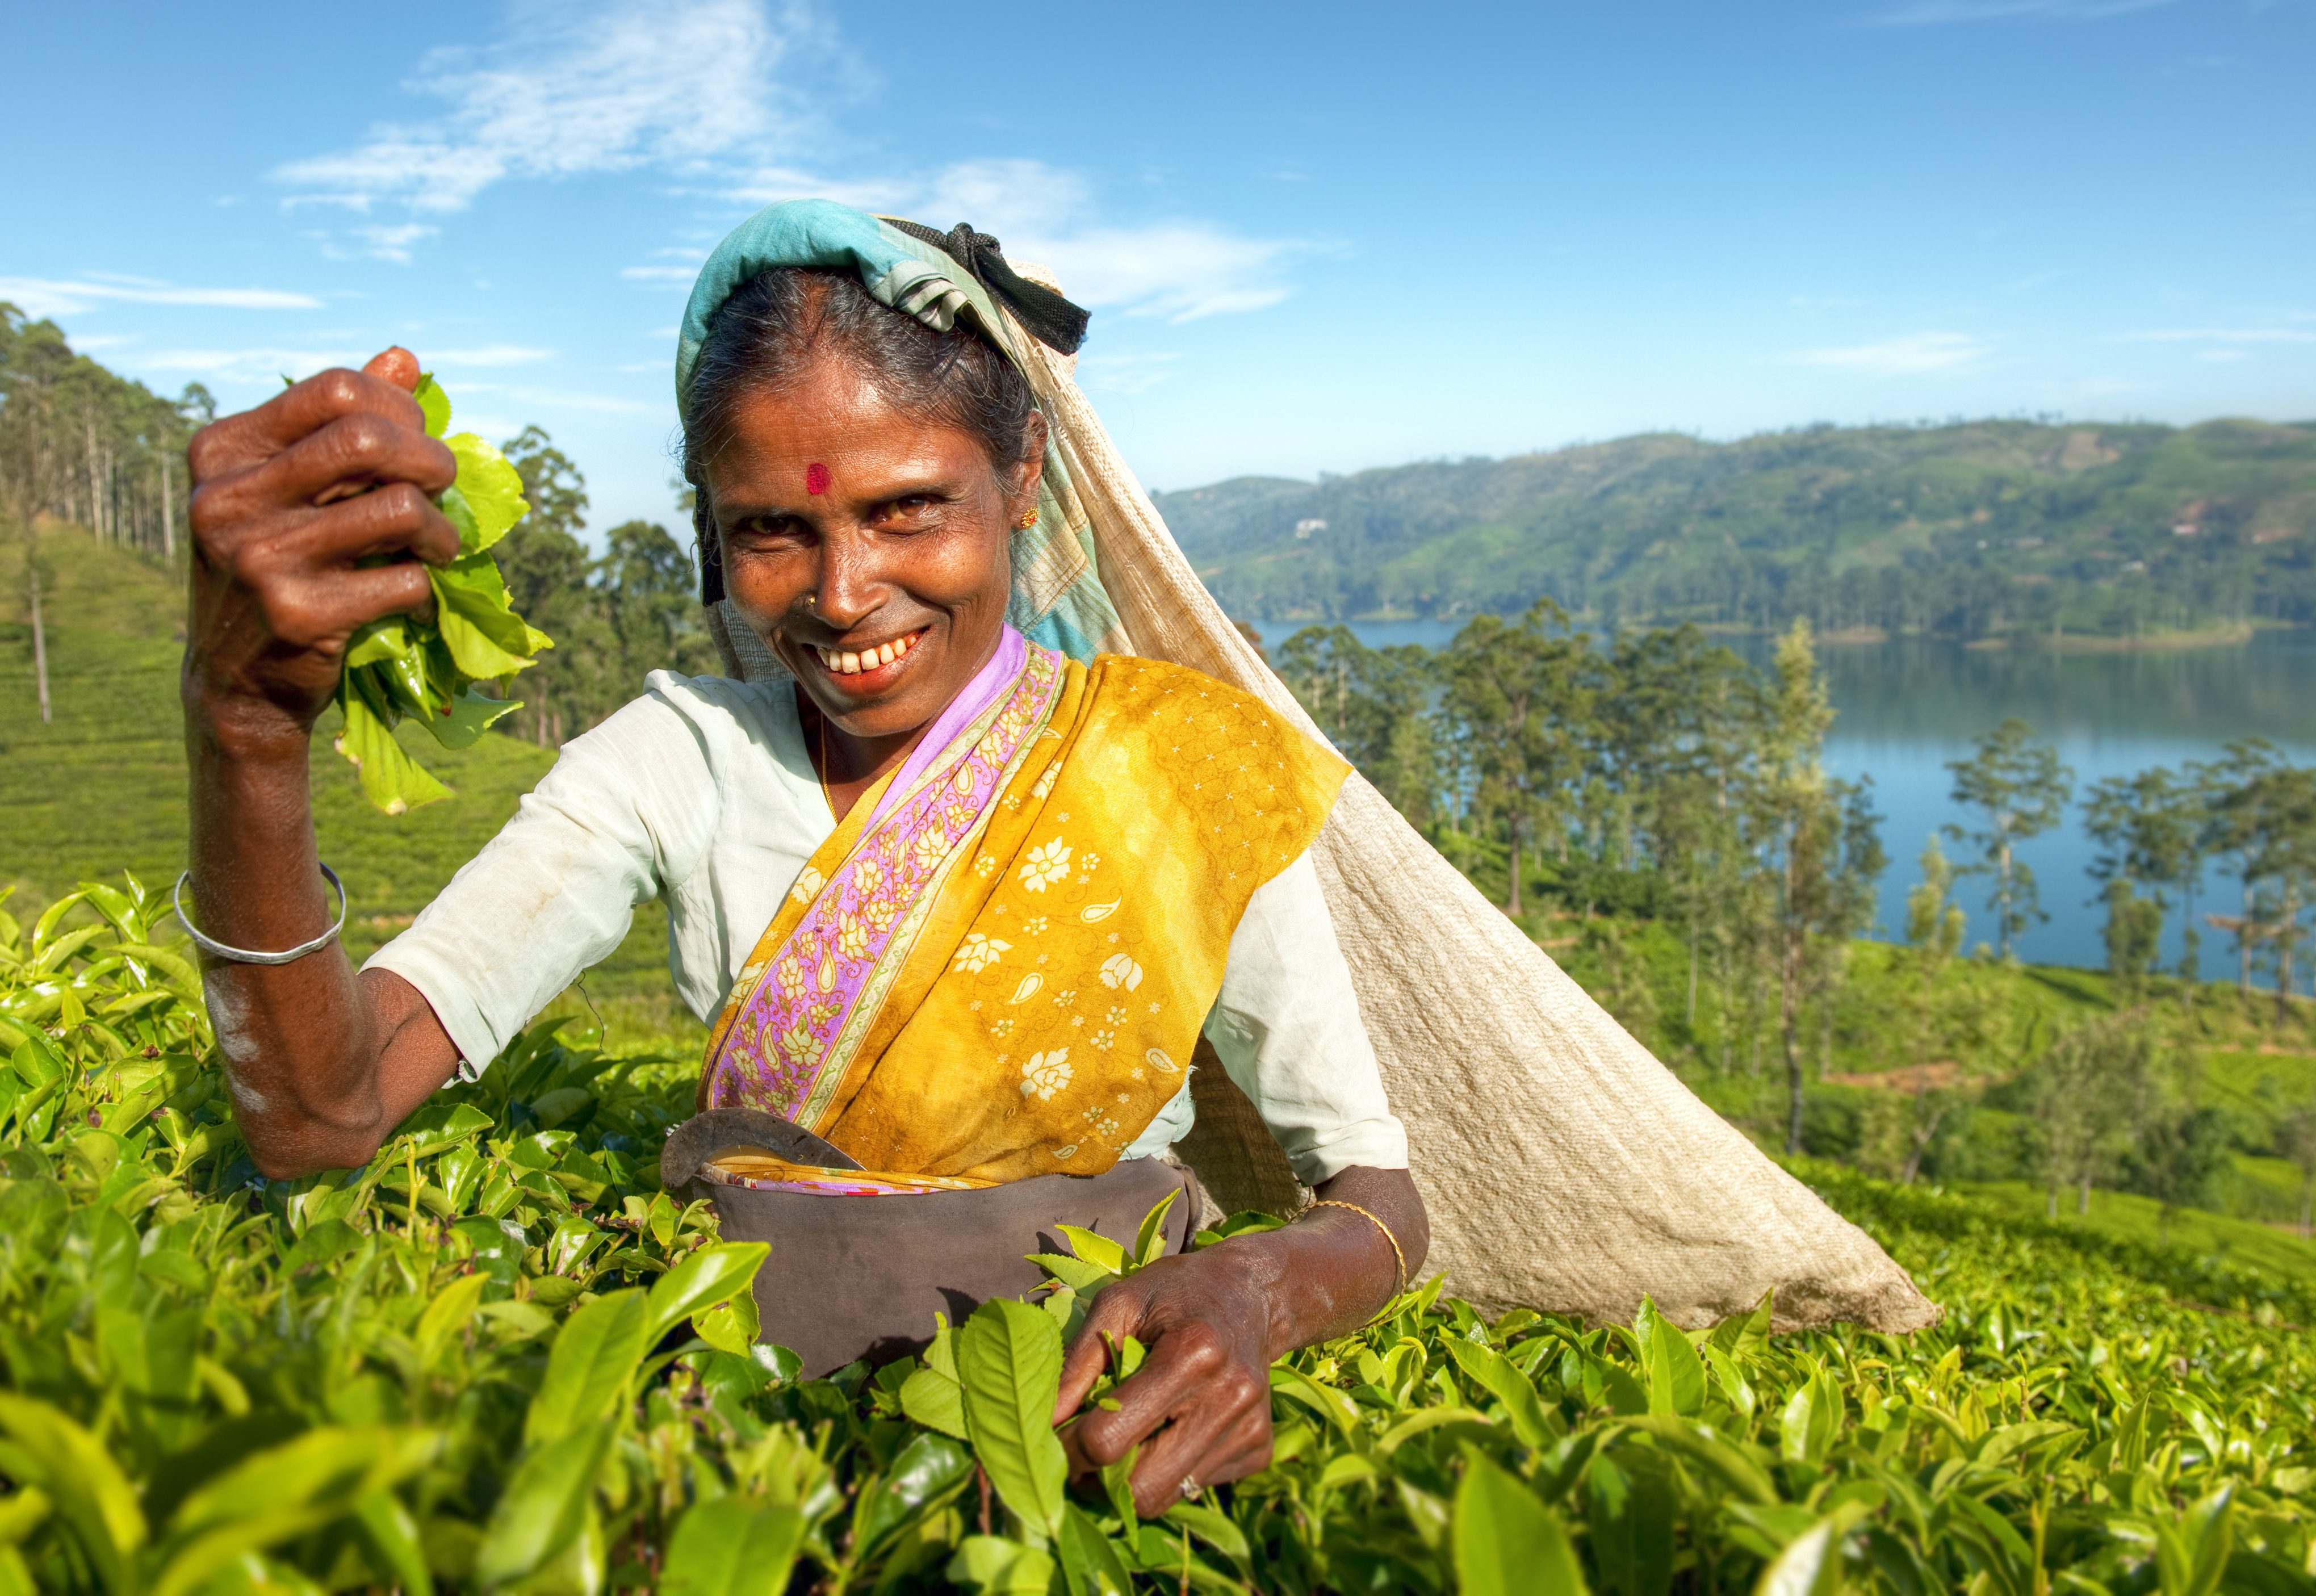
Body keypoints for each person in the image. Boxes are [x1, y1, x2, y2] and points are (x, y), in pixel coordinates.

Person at [178, 199, 1428, 1514]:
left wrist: (1255, 1291)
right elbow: (322, 1114)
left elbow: (1377, 1195)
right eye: (775, 528)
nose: (841, 594)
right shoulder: (677, 761)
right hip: (751, 1468)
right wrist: (248, 733)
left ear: (1021, 477)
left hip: (1101, 1472)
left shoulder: (1184, 768)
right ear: (713, 526)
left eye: (907, 510)